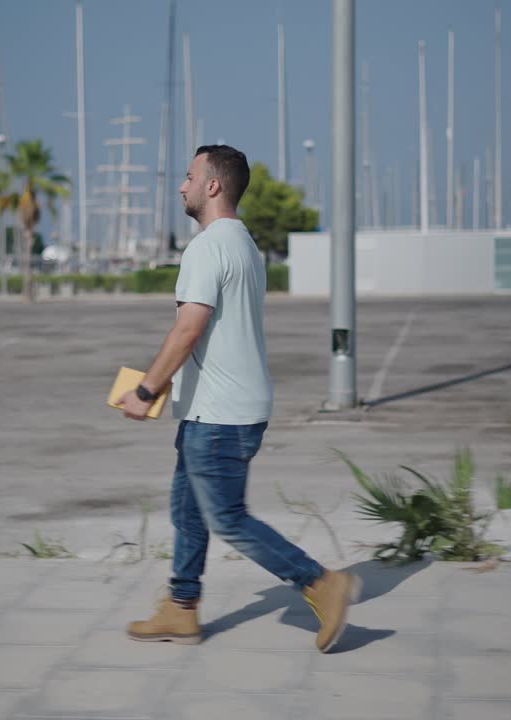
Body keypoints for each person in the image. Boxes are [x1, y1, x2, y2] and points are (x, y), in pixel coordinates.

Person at [116, 145, 360, 653]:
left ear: (212, 186)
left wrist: (145, 389)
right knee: (187, 511)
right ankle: (181, 608)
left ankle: (320, 582)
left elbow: (188, 329)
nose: (181, 186)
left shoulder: (207, 247)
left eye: (189, 177)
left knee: (227, 518)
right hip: (223, 408)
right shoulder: (244, 243)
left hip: (218, 416)